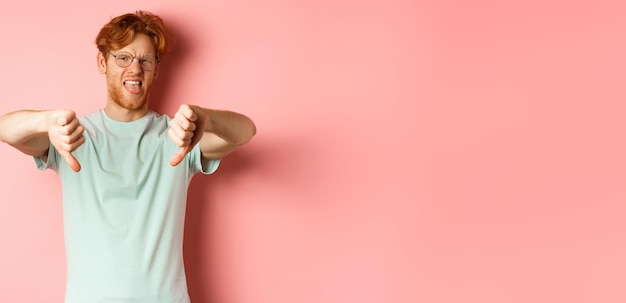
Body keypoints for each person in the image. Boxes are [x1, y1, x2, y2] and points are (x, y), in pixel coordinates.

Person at [0, 10, 256, 303]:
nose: (135, 69)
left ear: (156, 70)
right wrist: (45, 121)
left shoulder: (178, 136)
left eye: (146, 60)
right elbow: (4, 129)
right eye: (123, 58)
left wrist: (206, 118)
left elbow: (245, 131)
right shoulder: (71, 135)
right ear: (102, 62)